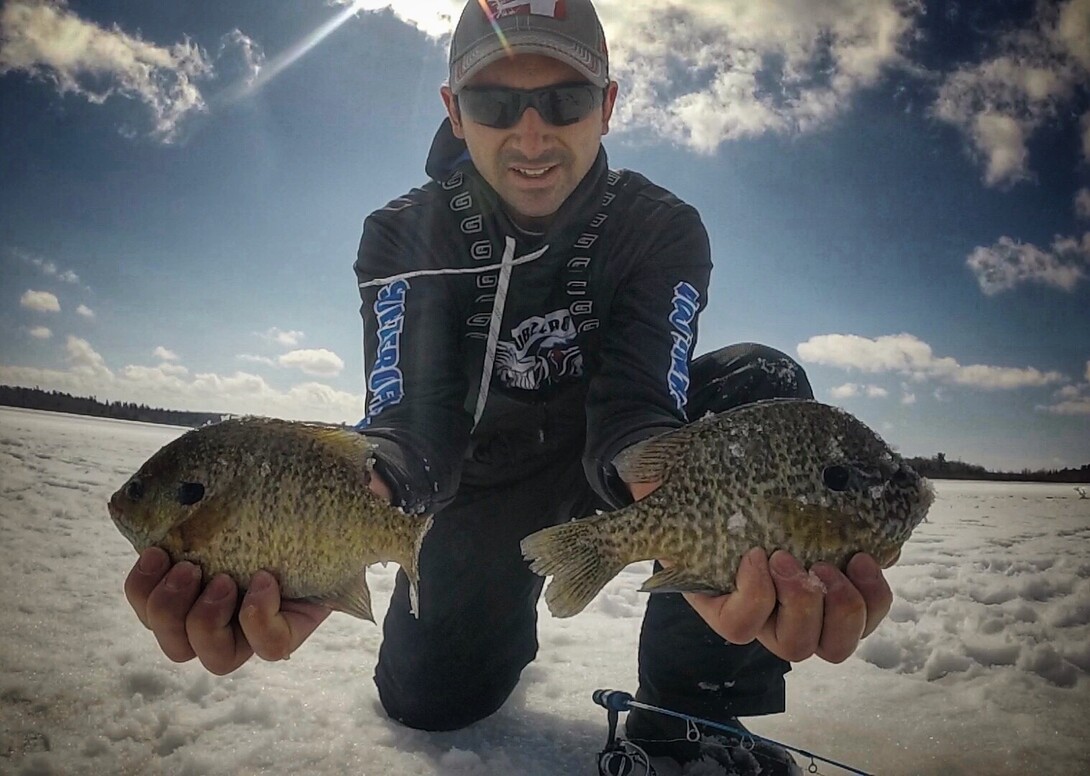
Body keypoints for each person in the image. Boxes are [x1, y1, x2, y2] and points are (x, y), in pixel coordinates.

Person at [123, 1, 893, 772]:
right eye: (495, 103)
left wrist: (667, 503)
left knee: (759, 385)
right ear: (455, 112)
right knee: (425, 702)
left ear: (608, 105)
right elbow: (410, 421)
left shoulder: (660, 226)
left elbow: (639, 404)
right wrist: (365, 502)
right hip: (477, 482)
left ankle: (690, 716)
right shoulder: (405, 231)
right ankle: (476, 624)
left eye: (564, 99)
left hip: (617, 471)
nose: (532, 136)